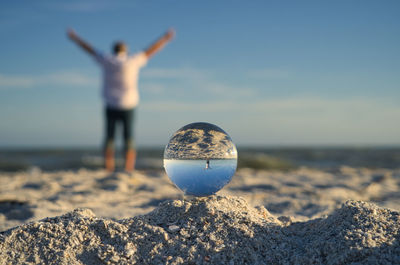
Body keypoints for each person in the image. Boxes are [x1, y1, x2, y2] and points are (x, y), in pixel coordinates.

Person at [67, 28, 175, 172]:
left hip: (111, 104)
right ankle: (128, 168)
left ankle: (109, 167)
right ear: (126, 50)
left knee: (109, 137)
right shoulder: (133, 60)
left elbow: (89, 49)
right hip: (129, 104)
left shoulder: (107, 59)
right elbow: (151, 50)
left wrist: (75, 38)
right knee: (128, 137)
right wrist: (165, 38)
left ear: (114, 50)